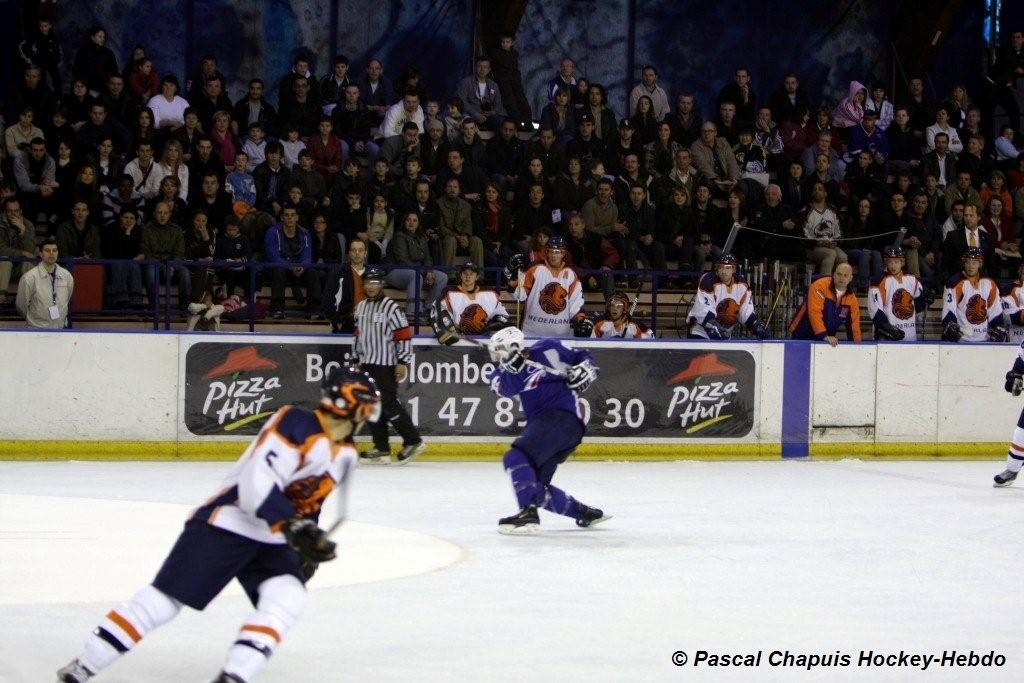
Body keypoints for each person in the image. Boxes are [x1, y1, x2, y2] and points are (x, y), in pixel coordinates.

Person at [57, 366, 381, 683]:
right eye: (368, 405)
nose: (369, 415)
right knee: (166, 600)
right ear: (353, 403)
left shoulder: (347, 454)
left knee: (288, 598)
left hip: (274, 536)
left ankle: (234, 676)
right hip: (228, 523)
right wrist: (292, 528)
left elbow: (309, 504)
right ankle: (84, 666)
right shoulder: (295, 423)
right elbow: (257, 485)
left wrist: (304, 546)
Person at [486, 326, 607, 534]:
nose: (496, 358)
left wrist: (586, 369)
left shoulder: (548, 348)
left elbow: (582, 356)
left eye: (498, 351)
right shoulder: (501, 373)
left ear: (511, 346)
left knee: (515, 458)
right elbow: (502, 388)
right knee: (536, 490)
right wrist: (512, 369)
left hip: (561, 418)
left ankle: (527, 513)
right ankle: (584, 513)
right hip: (561, 430)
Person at [351, 267, 426, 464]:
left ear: (382, 284)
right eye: (368, 282)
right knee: (372, 406)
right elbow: (358, 335)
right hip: (366, 363)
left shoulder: (390, 307)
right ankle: (381, 448)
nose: (371, 286)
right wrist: (355, 359)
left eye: (375, 282)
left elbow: (403, 335)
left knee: (388, 403)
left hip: (386, 364)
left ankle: (413, 440)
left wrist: (403, 361)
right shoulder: (361, 307)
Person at [508, 235, 589, 337]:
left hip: (561, 336)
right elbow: (520, 295)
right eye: (551, 251)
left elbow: (576, 303)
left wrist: (580, 320)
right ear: (546, 252)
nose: (553, 256)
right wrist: (512, 283)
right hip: (531, 334)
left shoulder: (571, 274)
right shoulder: (535, 269)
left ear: (563, 253)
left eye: (557, 252)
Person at [686, 253, 769, 339]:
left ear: (733, 269)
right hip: (700, 332)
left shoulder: (741, 284)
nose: (724, 271)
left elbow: (745, 311)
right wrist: (713, 326)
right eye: (720, 267)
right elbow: (703, 309)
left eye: (728, 267)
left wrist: (755, 324)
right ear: (716, 269)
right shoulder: (708, 280)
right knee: (709, 352)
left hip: (724, 334)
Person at [263, 205, 319, 319]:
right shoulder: (272, 233)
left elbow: (307, 256)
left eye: (293, 215)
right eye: (286, 215)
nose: (290, 218)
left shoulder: (305, 233)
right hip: (277, 268)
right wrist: (290, 267)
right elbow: (273, 257)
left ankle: (314, 310)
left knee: (312, 272)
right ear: (282, 218)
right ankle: (277, 309)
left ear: (297, 218)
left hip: (298, 268)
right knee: (279, 270)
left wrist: (302, 267)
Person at [940, 247, 1005, 343]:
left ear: (980, 264)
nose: (971, 266)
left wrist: (998, 327)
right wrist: (950, 328)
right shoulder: (954, 283)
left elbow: (995, 311)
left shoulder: (989, 283)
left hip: (984, 339)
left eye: (974, 262)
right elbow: (949, 311)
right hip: (962, 340)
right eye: (968, 262)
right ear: (964, 263)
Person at [789, 263, 862, 345]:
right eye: (839, 274)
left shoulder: (852, 299)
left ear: (850, 278)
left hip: (827, 338)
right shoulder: (819, 285)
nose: (841, 278)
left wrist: (857, 346)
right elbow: (814, 312)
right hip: (802, 332)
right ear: (833, 274)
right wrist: (823, 335)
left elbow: (854, 326)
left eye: (845, 275)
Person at [435, 261, 511, 335]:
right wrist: (451, 327)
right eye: (465, 273)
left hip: (483, 337)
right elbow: (438, 312)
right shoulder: (449, 293)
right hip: (458, 338)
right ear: (461, 275)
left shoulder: (490, 293)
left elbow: (503, 315)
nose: (468, 276)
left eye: (471, 274)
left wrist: (490, 327)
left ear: (477, 277)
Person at [867, 247, 925, 341]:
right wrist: (888, 328)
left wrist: (925, 299)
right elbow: (875, 310)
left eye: (896, 262)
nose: (893, 266)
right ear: (886, 263)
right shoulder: (877, 282)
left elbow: (918, 305)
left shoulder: (912, 279)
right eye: (890, 262)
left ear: (902, 262)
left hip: (910, 337)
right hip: (887, 338)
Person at [15, 236, 73, 329]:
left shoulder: (67, 276)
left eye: (54, 250)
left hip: (60, 330)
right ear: (41, 254)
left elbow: (67, 298)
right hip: (36, 330)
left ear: (58, 253)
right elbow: (21, 306)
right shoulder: (29, 277)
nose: (51, 253)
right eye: (47, 250)